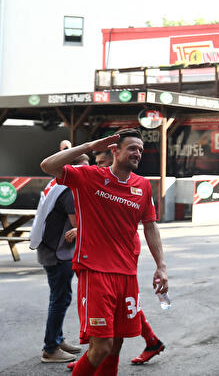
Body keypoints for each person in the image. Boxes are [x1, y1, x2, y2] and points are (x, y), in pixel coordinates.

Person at [39, 129, 168, 376]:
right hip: (95, 272)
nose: (137, 153)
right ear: (114, 150)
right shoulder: (88, 176)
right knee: (101, 347)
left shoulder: (143, 186)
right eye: (132, 148)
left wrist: (161, 266)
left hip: (127, 275)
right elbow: (47, 165)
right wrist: (89, 145)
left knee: (116, 346)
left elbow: (150, 226)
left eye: (140, 149)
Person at [90, 148, 166, 366]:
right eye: (97, 163)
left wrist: (161, 265)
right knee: (120, 304)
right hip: (105, 254)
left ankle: (98, 352)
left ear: (113, 155)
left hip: (121, 254)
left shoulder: (139, 184)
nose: (100, 167)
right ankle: (149, 340)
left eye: (103, 162)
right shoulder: (96, 179)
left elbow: (147, 223)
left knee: (120, 303)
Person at [31, 154, 87, 363]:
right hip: (58, 252)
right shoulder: (70, 191)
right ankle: (51, 348)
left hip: (49, 248)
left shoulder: (55, 183)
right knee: (60, 298)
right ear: (73, 169)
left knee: (61, 297)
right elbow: (78, 224)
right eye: (84, 169)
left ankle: (57, 338)